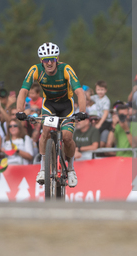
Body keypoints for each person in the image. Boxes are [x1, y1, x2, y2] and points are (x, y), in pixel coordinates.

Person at [15, 42, 88, 188]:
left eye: (52, 59)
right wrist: (20, 111)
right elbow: (23, 91)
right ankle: (42, 168)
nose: (49, 63)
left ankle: (71, 168)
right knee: (46, 131)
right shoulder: (35, 70)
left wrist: (82, 111)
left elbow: (79, 91)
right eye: (45, 60)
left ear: (57, 59)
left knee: (67, 137)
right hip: (50, 105)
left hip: (67, 105)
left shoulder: (65, 69)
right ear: (41, 61)